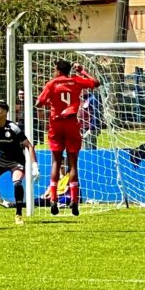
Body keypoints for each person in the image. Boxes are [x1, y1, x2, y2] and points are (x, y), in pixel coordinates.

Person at [36, 60, 100, 216]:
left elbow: (39, 103)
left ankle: (53, 198)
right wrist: (82, 71)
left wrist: (52, 103)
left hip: (56, 124)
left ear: (57, 70)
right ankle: (74, 200)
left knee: (56, 161)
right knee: (73, 163)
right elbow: (95, 83)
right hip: (71, 123)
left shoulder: (52, 84)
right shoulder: (76, 81)